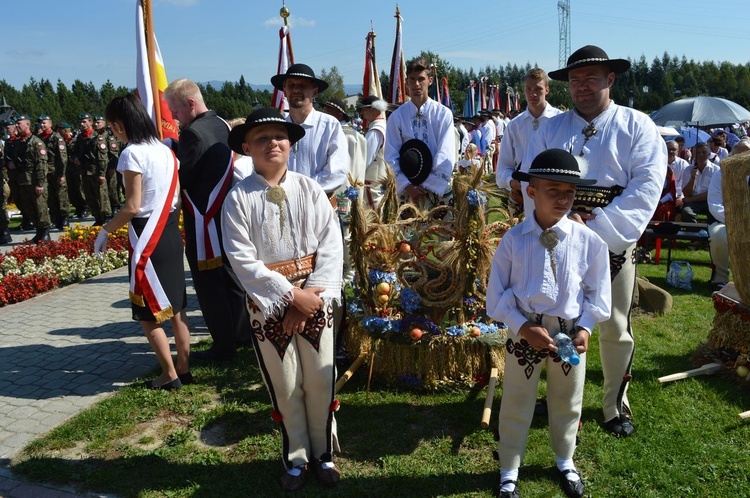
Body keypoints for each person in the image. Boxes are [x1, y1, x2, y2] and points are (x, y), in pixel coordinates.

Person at [524, 45, 667, 438]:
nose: (582, 86)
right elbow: (532, 183)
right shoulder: (551, 128)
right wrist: (551, 225)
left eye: (590, 78)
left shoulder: (637, 125)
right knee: (555, 321)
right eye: (574, 80)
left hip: (612, 242)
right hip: (555, 239)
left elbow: (645, 188)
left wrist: (594, 229)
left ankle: (614, 405)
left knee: (614, 327)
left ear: (610, 79)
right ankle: (558, 395)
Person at [221, 108, 344, 492]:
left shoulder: (309, 189)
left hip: (315, 302)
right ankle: (296, 457)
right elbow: (242, 259)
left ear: (291, 144)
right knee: (286, 385)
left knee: (321, 381)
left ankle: (324, 454)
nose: (273, 143)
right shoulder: (237, 200)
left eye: (280, 137)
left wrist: (309, 297)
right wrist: (290, 297)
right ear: (246, 147)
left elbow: (331, 245)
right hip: (270, 306)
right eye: (262, 138)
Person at [487, 149, 611, 498]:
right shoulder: (514, 240)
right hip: (525, 331)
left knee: (568, 401)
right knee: (516, 398)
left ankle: (565, 460)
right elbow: (497, 295)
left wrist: (585, 327)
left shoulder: (590, 242)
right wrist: (522, 326)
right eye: (552, 190)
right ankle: (509, 469)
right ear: (531, 191)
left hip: (569, 333)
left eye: (569, 192)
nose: (562, 198)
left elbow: (597, 293)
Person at [94, 94, 191, 390]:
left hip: (148, 236)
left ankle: (168, 375)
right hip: (171, 232)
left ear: (119, 125)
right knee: (176, 308)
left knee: (148, 314)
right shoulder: (164, 150)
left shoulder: (131, 153)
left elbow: (132, 206)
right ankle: (184, 368)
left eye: (112, 127)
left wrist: (106, 230)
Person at [164, 78, 251, 361]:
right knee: (232, 279)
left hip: (203, 219)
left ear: (190, 103)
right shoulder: (221, 124)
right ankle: (241, 335)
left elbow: (184, 177)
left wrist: (170, 154)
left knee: (210, 287)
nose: (173, 117)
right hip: (225, 216)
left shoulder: (192, 134)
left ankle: (223, 346)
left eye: (175, 110)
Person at [384, 57, 456, 208]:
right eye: (412, 79)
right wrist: (408, 186)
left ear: (430, 80)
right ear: (406, 81)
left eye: (421, 79)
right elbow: (391, 155)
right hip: (407, 192)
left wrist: (429, 184)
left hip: (438, 190)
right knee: (407, 231)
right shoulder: (397, 117)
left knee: (441, 231)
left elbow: (446, 152)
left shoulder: (443, 114)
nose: (416, 84)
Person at [270, 63, 349, 196]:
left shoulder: (329, 125)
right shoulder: (277, 127)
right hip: (282, 204)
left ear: (315, 92)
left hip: (318, 204)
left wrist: (300, 190)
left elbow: (337, 172)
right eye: (291, 85)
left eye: (302, 86)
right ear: (284, 90)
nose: (296, 90)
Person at [497, 67, 562, 209]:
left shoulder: (560, 120)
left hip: (556, 195)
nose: (533, 94)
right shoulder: (515, 125)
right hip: (522, 196)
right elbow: (503, 167)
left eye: (538, 89)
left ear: (547, 90)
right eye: (528, 89)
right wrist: (512, 182)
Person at [707, 139, 750, 291]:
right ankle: (720, 277)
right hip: (723, 221)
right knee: (720, 236)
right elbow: (714, 204)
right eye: (739, 154)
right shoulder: (720, 175)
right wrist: (736, 221)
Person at [10, 114, 52, 243]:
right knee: (29, 207)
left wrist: (39, 183)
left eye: (19, 124)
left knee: (40, 207)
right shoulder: (18, 142)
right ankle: (38, 232)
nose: (17, 126)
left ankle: (45, 232)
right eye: (16, 124)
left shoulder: (36, 142)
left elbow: (41, 164)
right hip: (23, 180)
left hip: (35, 180)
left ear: (27, 125)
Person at [72, 112, 111, 226]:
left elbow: (102, 157)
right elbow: (75, 152)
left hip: (96, 171)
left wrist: (102, 173)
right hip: (84, 171)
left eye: (85, 121)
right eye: (81, 122)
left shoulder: (97, 138)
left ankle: (106, 216)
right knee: (90, 196)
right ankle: (97, 217)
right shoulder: (80, 137)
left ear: (91, 122)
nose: (82, 124)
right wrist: (75, 159)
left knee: (101, 195)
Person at [37, 114, 70, 230]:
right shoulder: (39, 138)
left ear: (50, 124)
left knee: (61, 196)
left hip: (56, 171)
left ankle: (64, 217)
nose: (42, 125)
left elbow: (63, 158)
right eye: (41, 123)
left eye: (44, 122)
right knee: (50, 197)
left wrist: (61, 174)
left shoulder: (57, 138)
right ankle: (55, 218)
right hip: (45, 172)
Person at [358, 95, 389, 210]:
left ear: (373, 110)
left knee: (373, 218)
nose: (363, 113)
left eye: (365, 109)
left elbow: (365, 158)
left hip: (372, 183)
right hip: (380, 179)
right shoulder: (384, 127)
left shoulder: (375, 131)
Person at [681, 142, 719, 224]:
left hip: (710, 201)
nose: (701, 155)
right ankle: (694, 234)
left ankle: (710, 234)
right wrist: (693, 178)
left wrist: (691, 199)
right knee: (686, 212)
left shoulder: (716, 170)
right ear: (694, 155)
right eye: (698, 153)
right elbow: (686, 194)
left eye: (704, 152)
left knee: (715, 214)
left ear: (709, 154)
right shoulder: (688, 170)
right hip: (693, 203)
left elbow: (712, 193)